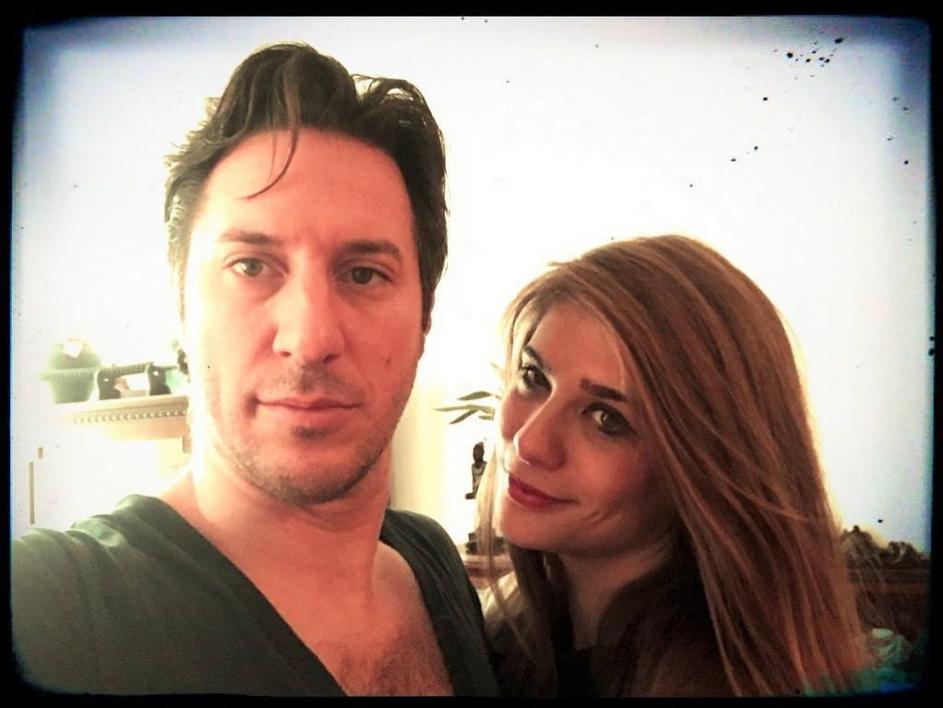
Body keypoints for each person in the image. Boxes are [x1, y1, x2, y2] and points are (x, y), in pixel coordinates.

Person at [12, 42, 498, 697]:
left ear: (424, 316)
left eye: (363, 274)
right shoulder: (60, 604)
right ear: (180, 303)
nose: (310, 339)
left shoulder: (432, 561)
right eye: (251, 266)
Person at [479, 235, 878, 697]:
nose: (530, 441)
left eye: (607, 419)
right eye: (534, 378)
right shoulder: (496, 628)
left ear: (704, 468)